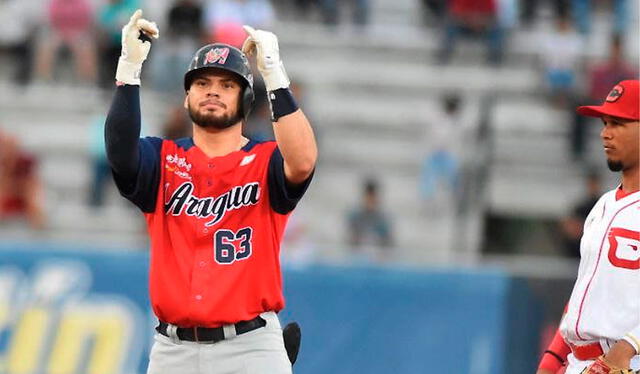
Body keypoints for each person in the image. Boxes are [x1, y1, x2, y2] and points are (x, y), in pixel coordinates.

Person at [105, 10, 316, 374]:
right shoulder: (164, 158)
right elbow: (121, 155)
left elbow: (302, 161)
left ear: (245, 101)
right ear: (186, 98)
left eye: (227, 84)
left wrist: (275, 77)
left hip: (250, 347)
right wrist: (128, 72)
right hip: (173, 350)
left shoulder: (264, 160)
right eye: (202, 83)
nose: (213, 90)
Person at [535, 80, 639, 373]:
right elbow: (582, 296)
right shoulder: (602, 205)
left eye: (618, 123)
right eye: (605, 123)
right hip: (578, 361)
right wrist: (551, 360)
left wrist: (626, 348)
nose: (605, 133)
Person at [0, 131, 45, 229]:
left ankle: (38, 232)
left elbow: (31, 184)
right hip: (6, 198)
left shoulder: (24, 163)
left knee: (33, 194)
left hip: (18, 197)